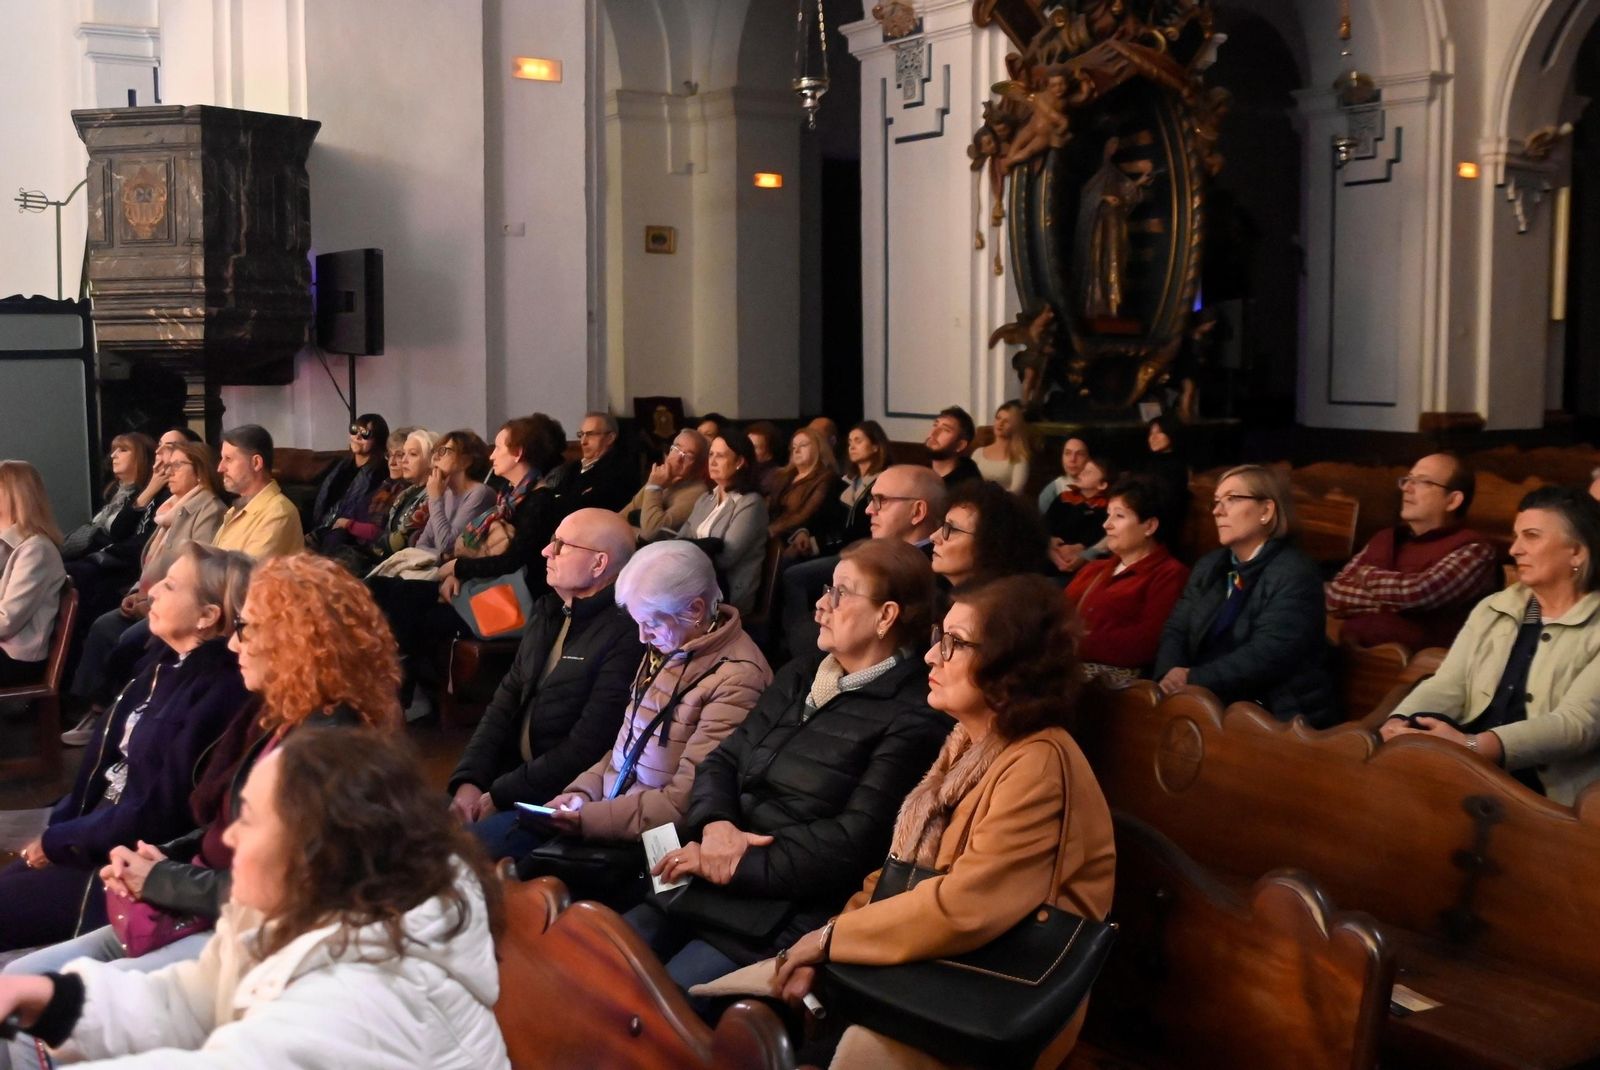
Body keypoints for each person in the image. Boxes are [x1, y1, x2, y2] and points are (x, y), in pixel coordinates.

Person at [14, 553, 409, 1000]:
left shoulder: (330, 748)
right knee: (20, 978)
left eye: (246, 629)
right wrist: (161, 857)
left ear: (297, 641)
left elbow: (286, 893)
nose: (234, 645)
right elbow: (221, 830)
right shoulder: (283, 716)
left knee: (33, 1003)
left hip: (252, 934)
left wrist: (161, 878)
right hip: (201, 896)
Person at [0, 729, 509, 1070]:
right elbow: (190, 1001)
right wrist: (48, 998)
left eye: (254, 821)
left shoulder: (367, 999)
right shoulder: (302, 911)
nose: (233, 837)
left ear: (314, 854)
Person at [772, 575, 1117, 1070]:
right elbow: (896, 877)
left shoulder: (1038, 763)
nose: (932, 656)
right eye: (938, 638)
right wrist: (830, 942)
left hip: (989, 1002)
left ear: (1010, 663)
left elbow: (967, 906)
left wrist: (828, 944)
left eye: (953, 644)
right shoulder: (967, 740)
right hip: (926, 974)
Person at [630, 538, 950, 1002]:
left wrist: (733, 862)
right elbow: (722, 761)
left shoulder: (914, 715)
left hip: (783, 911)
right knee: (600, 958)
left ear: (887, 616)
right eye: (827, 589)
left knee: (661, 1008)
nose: (821, 604)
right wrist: (717, 827)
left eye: (841, 594)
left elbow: (852, 843)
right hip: (709, 877)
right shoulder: (801, 674)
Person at [0, 544, 252, 955]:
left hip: (126, 860)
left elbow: (155, 814)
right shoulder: (164, 663)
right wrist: (58, 830)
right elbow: (105, 772)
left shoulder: (218, 692)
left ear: (208, 616)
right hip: (96, 835)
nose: (153, 593)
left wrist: (59, 841)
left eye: (170, 586)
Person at [536, 540, 773, 901]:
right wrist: (579, 794)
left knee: (546, 902)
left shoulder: (738, 679)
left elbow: (685, 804)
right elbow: (624, 748)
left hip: (663, 849)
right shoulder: (670, 645)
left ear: (695, 609)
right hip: (617, 823)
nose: (642, 637)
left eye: (650, 624)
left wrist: (588, 819)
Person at [1381, 486, 1600, 804]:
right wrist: (1398, 723)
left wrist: (1475, 745)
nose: (1515, 549)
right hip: (1468, 767)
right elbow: (1450, 684)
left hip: (1550, 795)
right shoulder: (1497, 606)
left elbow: (1577, 724)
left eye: (1532, 536)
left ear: (1577, 552)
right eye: (1516, 536)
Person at [448, 510, 646, 861]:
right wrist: (469, 781)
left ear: (599, 563)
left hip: (555, 800)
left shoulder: (626, 633)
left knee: (455, 858)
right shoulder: (547, 611)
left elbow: (586, 747)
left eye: (561, 545)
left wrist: (499, 795)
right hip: (507, 779)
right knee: (405, 830)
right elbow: (502, 705)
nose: (545, 551)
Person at [63, 441, 226, 741]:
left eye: (177, 466)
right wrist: (137, 590)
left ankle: (111, 712)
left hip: (179, 603)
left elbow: (192, 569)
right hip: (150, 596)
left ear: (200, 473)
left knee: (124, 638)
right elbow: (149, 562)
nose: (168, 471)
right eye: (168, 465)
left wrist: (149, 600)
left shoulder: (208, 510)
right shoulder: (167, 510)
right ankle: (92, 707)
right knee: (102, 625)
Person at [1155, 464, 1335, 726]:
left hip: (1279, 714)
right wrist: (1168, 674)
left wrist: (1191, 678)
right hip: (1213, 700)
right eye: (1216, 502)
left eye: (1232, 499)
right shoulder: (1210, 566)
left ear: (1266, 510)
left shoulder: (1296, 572)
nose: (1217, 511)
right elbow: (1176, 629)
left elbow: (1268, 654)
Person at [1325, 453, 1499, 650]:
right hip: (1354, 663)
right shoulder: (1385, 537)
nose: (1407, 488)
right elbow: (1335, 596)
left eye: (1423, 482)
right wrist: (1394, 603)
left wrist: (1366, 575)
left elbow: (1419, 593)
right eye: (1408, 479)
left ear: (1453, 501)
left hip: (1420, 671)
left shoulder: (1474, 549)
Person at [780, 464, 946, 660]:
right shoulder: (880, 551)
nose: (868, 510)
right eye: (870, 499)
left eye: (880, 500)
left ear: (917, 512)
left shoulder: (929, 569)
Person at [1065, 477, 1190, 680]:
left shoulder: (1169, 574)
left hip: (1112, 687)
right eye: (1108, 515)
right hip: (1066, 668)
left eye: (1119, 516)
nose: (1107, 525)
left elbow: (1146, 642)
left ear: (1149, 525)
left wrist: (1077, 642)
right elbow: (1057, 613)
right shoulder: (1094, 569)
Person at [60, 433, 161, 623]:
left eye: (123, 450)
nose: (113, 455)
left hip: (113, 567)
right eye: (114, 450)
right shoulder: (116, 493)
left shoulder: (148, 496)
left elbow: (119, 532)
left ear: (141, 456)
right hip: (93, 557)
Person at [679, 429, 770, 615]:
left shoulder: (751, 503)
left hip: (729, 593)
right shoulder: (705, 499)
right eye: (711, 454)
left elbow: (726, 558)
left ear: (739, 462)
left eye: (720, 456)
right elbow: (680, 540)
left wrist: (684, 559)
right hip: (695, 584)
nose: (712, 462)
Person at [0, 460, 66, 687]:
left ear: (16, 495)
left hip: (14, 658)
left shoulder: (35, 549)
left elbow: (7, 621)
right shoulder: (6, 544)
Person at [335, 427, 436, 569]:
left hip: (402, 563)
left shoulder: (432, 495)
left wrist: (369, 542)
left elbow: (398, 541)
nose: (403, 461)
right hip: (382, 556)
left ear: (430, 460)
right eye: (403, 454)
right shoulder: (405, 492)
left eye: (411, 455)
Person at [931, 480, 1050, 591]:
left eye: (952, 529)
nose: (933, 537)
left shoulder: (1001, 610)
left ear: (992, 545)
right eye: (943, 525)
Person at [212, 424, 304, 560]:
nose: (220, 468)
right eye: (222, 458)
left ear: (256, 463)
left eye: (228, 459)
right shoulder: (235, 510)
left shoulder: (278, 513)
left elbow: (247, 575)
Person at [306, 412, 390, 549]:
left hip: (347, 534)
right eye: (354, 430)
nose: (357, 437)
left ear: (378, 440)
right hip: (320, 526)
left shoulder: (381, 473)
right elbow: (319, 498)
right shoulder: (340, 465)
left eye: (365, 434)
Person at [618, 428, 710, 540]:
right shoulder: (662, 477)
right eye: (676, 449)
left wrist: (655, 487)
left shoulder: (697, 492)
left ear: (700, 468)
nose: (677, 458)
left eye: (688, 456)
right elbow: (621, 517)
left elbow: (651, 533)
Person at [415, 428, 495, 555]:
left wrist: (435, 499)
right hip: (438, 568)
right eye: (435, 451)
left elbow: (447, 546)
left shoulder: (480, 493)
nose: (435, 457)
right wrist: (441, 556)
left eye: (443, 451)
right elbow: (420, 545)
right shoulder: (445, 494)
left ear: (466, 461)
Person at [547, 411, 636, 515]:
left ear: (610, 438)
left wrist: (563, 500)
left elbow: (587, 506)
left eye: (590, 434)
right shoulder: (574, 467)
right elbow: (555, 497)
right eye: (581, 434)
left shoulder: (619, 470)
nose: (583, 441)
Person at [769, 427, 838, 543]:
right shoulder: (783, 476)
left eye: (803, 445)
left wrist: (771, 530)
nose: (797, 450)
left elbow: (806, 514)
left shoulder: (825, 478)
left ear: (818, 448)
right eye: (794, 447)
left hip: (795, 538)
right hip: (771, 535)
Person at [1045, 457, 1111, 576]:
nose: (1082, 473)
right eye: (1083, 470)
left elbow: (1100, 534)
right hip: (1051, 554)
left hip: (1082, 565)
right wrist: (1050, 539)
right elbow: (1046, 522)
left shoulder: (1105, 507)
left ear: (1102, 485)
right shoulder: (1064, 497)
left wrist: (1081, 547)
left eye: (1089, 472)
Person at [1141, 415, 1190, 535]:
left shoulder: (1176, 465)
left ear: (1171, 434)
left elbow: (1169, 501)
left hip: (1163, 523)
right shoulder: (1148, 463)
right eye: (1151, 433)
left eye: (1159, 432)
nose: (1153, 437)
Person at [973, 400, 1031, 494]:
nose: (1000, 423)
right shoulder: (978, 452)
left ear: (1015, 426)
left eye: (1006, 421)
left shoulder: (1019, 459)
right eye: (998, 418)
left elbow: (1016, 491)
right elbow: (968, 482)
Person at [924, 407, 982, 489]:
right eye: (935, 425)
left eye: (945, 430)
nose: (933, 433)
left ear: (960, 445)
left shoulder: (967, 484)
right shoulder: (921, 469)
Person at [1037, 436, 1092, 514]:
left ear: (1089, 458)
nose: (1073, 459)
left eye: (1080, 454)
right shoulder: (1052, 492)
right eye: (1067, 453)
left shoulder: (1101, 489)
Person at [745, 420, 784, 495]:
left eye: (755, 447)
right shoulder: (745, 469)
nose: (749, 450)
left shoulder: (775, 476)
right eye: (747, 445)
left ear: (769, 449)